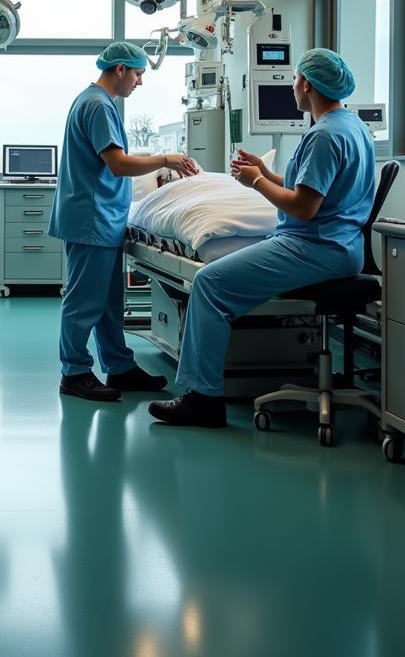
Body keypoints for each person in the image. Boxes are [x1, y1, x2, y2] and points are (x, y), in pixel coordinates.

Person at [149, 48, 375, 428]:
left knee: (208, 283)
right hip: (341, 246)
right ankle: (204, 388)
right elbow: (312, 187)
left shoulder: (324, 136)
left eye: (295, 79)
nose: (293, 87)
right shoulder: (352, 127)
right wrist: (266, 173)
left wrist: (255, 183)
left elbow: (303, 207)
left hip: (314, 247)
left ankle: (203, 399)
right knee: (218, 280)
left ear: (307, 84)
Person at [49, 41, 201, 402]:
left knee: (108, 302)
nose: (140, 82)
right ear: (120, 69)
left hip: (100, 217)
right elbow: (117, 163)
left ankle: (119, 366)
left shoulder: (96, 102)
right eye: (138, 74)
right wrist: (166, 159)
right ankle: (74, 373)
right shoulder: (97, 105)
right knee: (85, 302)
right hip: (92, 218)